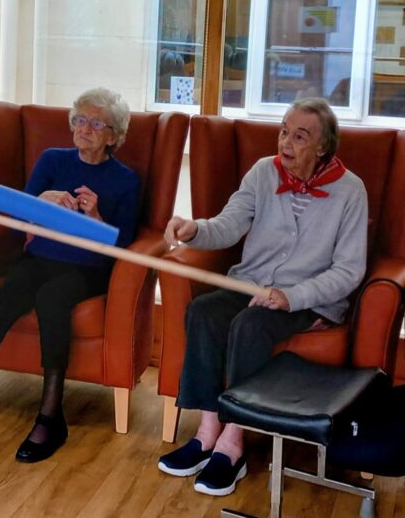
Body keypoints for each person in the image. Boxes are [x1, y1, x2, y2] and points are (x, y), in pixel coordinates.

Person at [157, 97, 367, 495]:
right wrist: (194, 228)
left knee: (249, 326)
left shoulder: (351, 191)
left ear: (322, 146)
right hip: (250, 284)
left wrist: (291, 296)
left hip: (307, 300)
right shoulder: (261, 173)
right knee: (203, 311)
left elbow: (349, 270)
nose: (286, 142)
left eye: (299, 136)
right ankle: (206, 432)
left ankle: (233, 443)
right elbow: (229, 225)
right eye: (283, 131)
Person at [0, 88, 140, 463]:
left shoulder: (125, 180)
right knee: (14, 288)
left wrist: (96, 218)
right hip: (40, 256)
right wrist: (41, 201)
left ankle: (51, 416)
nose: (84, 128)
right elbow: (18, 213)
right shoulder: (53, 161)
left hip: (87, 269)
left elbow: (124, 244)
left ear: (113, 135)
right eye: (79, 120)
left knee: (52, 297)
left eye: (95, 123)